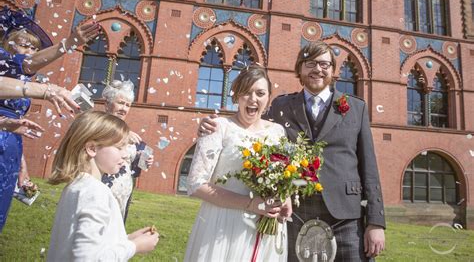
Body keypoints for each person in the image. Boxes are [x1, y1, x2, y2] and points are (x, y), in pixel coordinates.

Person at [198, 42, 386, 261]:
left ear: (334, 70)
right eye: (310, 63)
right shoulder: (281, 106)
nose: (318, 69)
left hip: (346, 216)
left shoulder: (356, 107)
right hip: (295, 211)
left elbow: (369, 167)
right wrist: (213, 126)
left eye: (324, 64)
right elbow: (250, 129)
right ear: (299, 69)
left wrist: (375, 222)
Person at [0, 7, 100, 232]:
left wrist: (21, 168)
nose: (30, 51)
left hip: (9, 149)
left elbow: (28, 65)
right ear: (8, 44)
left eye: (34, 47)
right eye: (24, 44)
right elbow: (27, 63)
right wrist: (46, 90)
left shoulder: (20, 74)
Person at [185, 65, 292, 262]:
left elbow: (283, 176)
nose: (253, 99)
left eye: (260, 93)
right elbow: (196, 184)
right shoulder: (218, 127)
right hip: (223, 224)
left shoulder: (278, 132)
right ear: (236, 96)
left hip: (266, 226)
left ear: (268, 98)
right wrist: (251, 204)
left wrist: (286, 199)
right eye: (246, 92)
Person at [47, 111, 159, 261]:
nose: (126, 155)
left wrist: (127, 239)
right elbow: (88, 258)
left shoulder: (76, 186)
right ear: (92, 148)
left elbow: (89, 244)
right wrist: (134, 246)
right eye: (119, 147)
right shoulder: (96, 192)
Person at [101, 80, 153, 222]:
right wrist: (121, 134)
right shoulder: (96, 124)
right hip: (102, 192)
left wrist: (143, 159)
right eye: (120, 103)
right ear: (107, 103)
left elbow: (134, 170)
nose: (124, 108)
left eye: (128, 105)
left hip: (123, 196)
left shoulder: (133, 136)